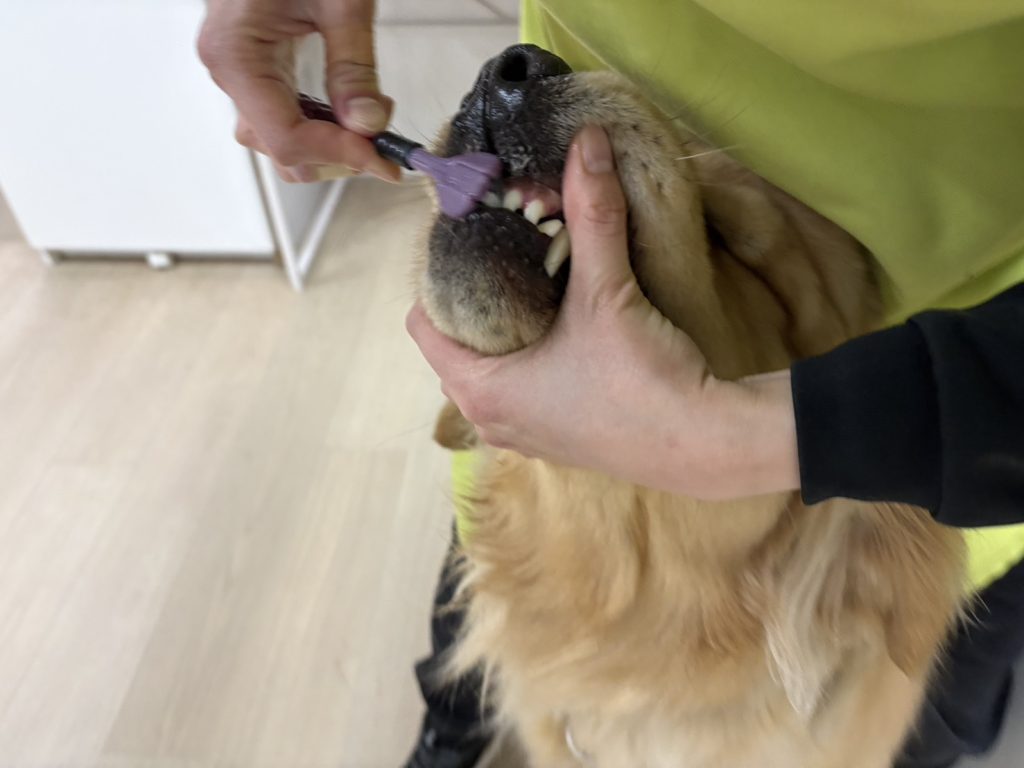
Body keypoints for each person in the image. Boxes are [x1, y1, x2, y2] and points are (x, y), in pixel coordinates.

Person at [198, 2, 1024, 767]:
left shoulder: (884, 550)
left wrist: (792, 432)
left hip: (963, 414)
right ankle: (454, 737)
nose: (501, 85)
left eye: (721, 236)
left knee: (936, 721)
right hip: (548, 427)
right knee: (471, 644)